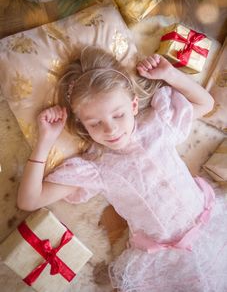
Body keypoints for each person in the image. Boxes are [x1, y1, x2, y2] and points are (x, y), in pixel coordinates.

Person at [17, 46, 227, 292]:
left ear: (134, 106)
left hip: (211, 221)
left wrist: (170, 75)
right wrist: (45, 141)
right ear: (83, 125)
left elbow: (206, 103)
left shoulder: (158, 124)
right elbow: (29, 200)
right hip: (166, 253)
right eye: (95, 123)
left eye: (118, 115)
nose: (111, 130)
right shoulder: (96, 167)